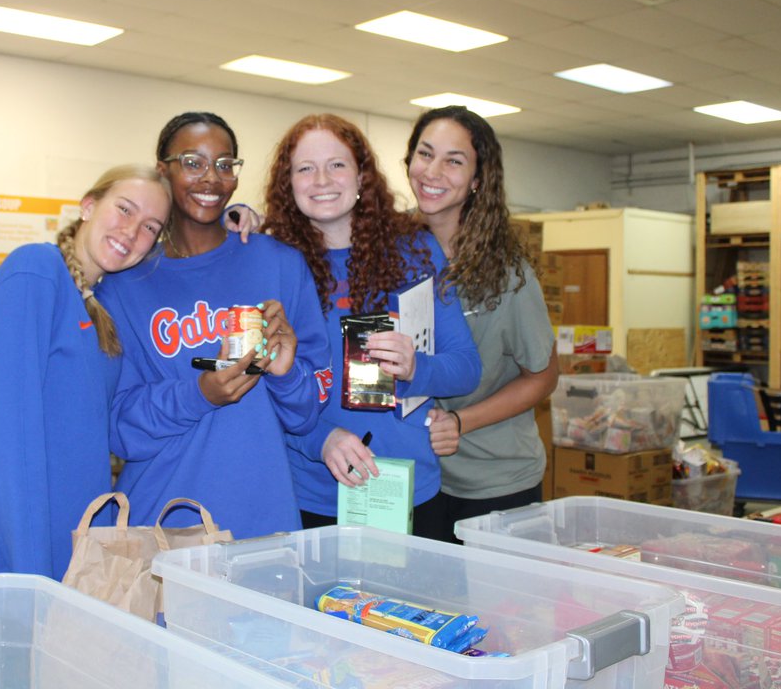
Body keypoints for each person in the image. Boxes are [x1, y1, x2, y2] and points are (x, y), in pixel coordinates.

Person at [99, 111, 331, 537]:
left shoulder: (279, 265)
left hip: (262, 518)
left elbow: (307, 411)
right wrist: (199, 393)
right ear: (162, 169)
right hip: (161, 525)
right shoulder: (122, 286)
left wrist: (285, 375)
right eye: (192, 162)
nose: (211, 178)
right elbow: (116, 429)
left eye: (225, 165)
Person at [0, 164, 171, 581]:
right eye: (124, 209)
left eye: (150, 227)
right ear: (88, 206)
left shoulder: (98, 304)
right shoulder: (34, 272)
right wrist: (32, 573)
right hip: (13, 556)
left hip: (73, 550)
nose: (131, 231)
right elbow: (6, 441)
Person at [261, 113, 481, 539]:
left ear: (362, 175)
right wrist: (319, 440)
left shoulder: (415, 251)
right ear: (288, 183)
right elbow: (257, 391)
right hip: (312, 497)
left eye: (337, 164)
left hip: (409, 492)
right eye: (305, 168)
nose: (322, 179)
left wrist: (418, 368)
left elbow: (467, 366)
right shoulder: (271, 265)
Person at [405, 105, 558, 542]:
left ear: (477, 180)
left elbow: (544, 376)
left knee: (496, 609)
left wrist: (461, 421)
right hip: (418, 476)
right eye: (424, 154)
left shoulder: (507, 273)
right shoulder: (391, 254)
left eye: (454, 160)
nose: (433, 171)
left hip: (494, 480)